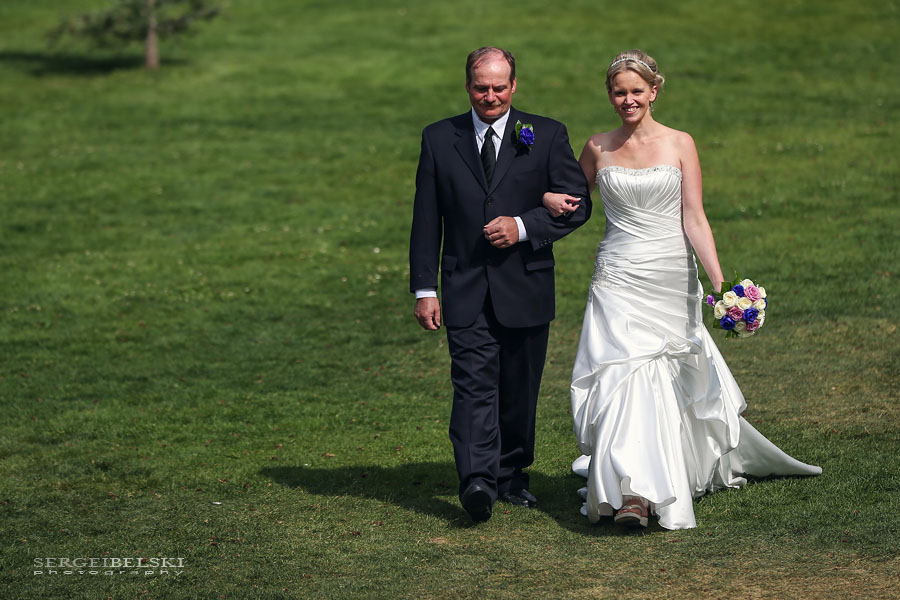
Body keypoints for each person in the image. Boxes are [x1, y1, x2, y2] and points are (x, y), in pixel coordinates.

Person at [542, 49, 821, 530]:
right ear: (609, 96)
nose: (627, 100)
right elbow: (568, 200)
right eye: (618, 92)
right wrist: (545, 197)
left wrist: (721, 285)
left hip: (670, 275)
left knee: (668, 380)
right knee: (624, 377)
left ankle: (658, 477)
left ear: (653, 91)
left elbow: (694, 216)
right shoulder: (596, 147)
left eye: (635, 91)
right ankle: (632, 495)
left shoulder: (680, 143)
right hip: (618, 275)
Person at [410, 46, 591, 523]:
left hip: (526, 288)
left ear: (514, 86)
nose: (490, 96)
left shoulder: (546, 134)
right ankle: (476, 480)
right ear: (467, 86)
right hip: (464, 287)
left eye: (499, 86)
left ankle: (512, 476)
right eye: (480, 87)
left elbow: (580, 205)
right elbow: (426, 219)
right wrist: (424, 288)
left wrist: (525, 226)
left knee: (518, 389)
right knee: (471, 386)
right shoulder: (438, 138)